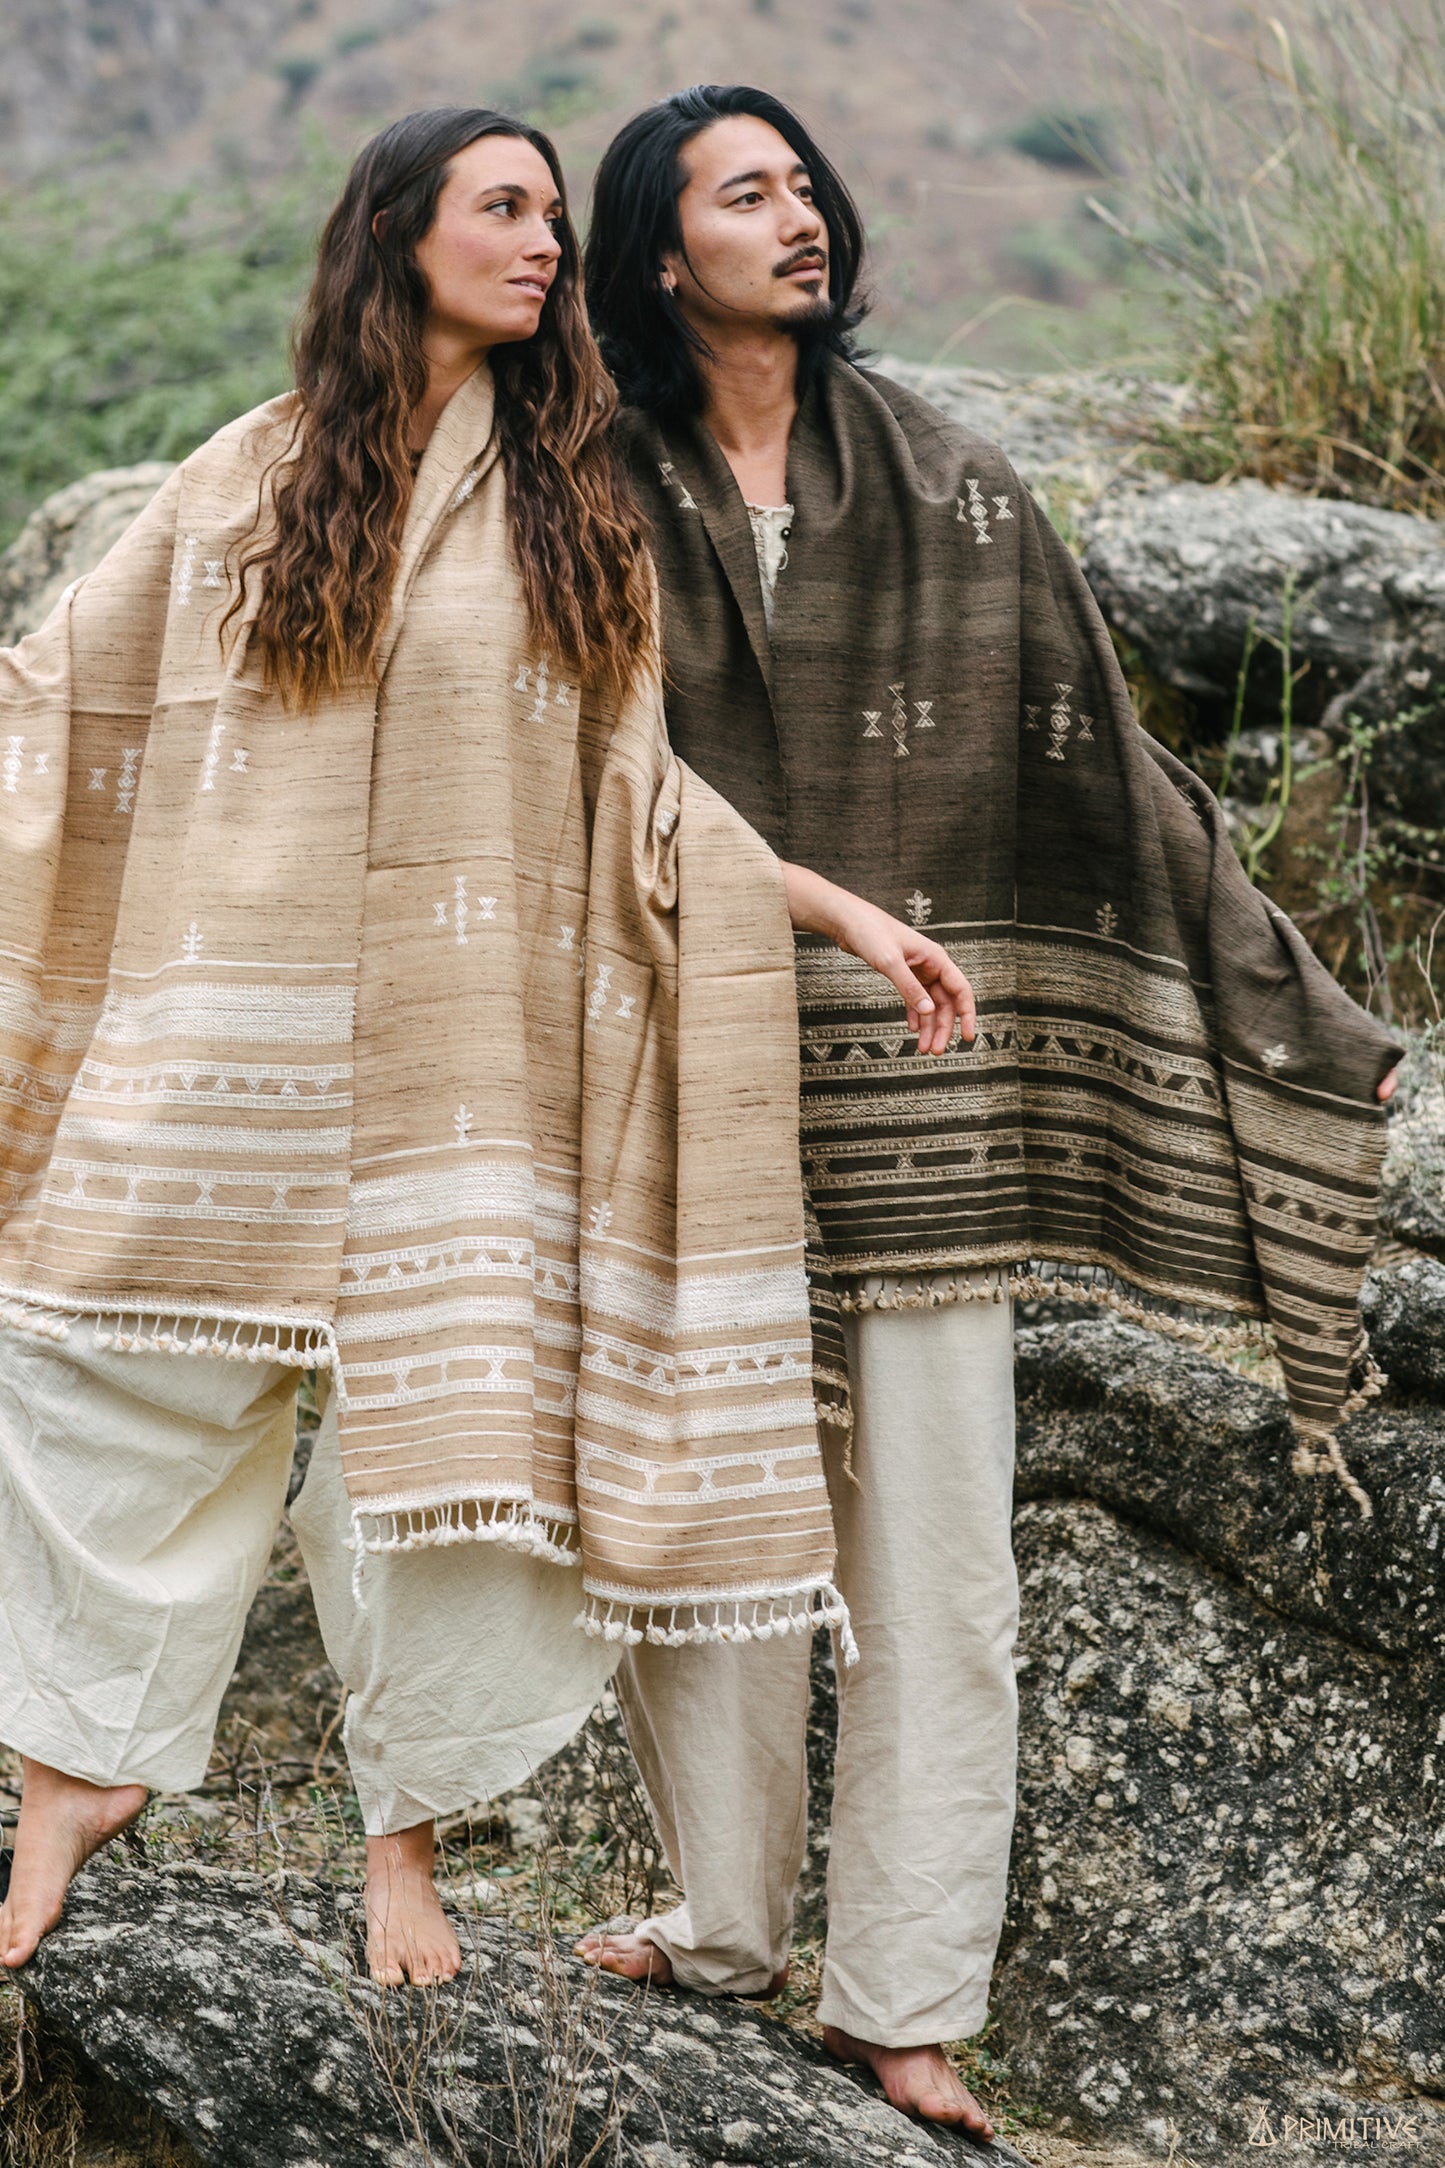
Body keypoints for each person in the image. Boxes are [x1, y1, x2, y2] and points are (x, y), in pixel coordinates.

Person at [0, 106, 972, 1989]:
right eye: (503, 210)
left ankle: (402, 1850)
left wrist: (833, 907)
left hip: (465, 1062)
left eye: (549, 214)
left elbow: (634, 792)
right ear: (402, 238)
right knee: (111, 1387)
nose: (543, 244)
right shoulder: (246, 479)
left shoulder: (566, 508)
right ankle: (69, 1783)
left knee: (438, 1457)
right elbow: (63, 701)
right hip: (233, 1033)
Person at [578, 83, 1403, 2132]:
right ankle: (722, 1922)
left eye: (806, 185)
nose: (800, 218)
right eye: (743, 195)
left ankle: (907, 1992)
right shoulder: (590, 491)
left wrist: (1282, 996)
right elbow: (548, 773)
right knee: (710, 1543)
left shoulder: (954, 486)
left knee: (942, 1564)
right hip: (690, 1089)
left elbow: (1100, 767)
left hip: (934, 1112)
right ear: (660, 258)